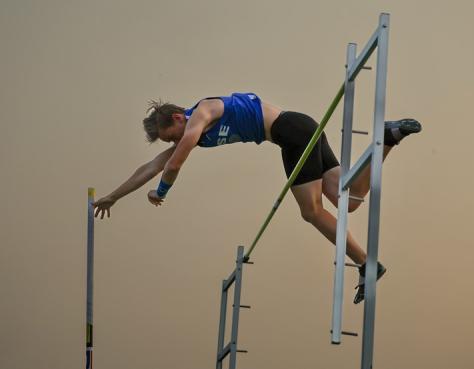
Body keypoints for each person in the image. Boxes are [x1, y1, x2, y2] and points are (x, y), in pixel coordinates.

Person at [93, 92, 421, 304]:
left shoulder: (202, 112)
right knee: (349, 201)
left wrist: (161, 191)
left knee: (311, 211)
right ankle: (388, 138)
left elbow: (176, 162)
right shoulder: (192, 130)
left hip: (291, 132)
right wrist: (113, 197)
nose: (176, 141)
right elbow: (150, 167)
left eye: (172, 135)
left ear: (178, 118)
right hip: (300, 131)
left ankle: (366, 263)